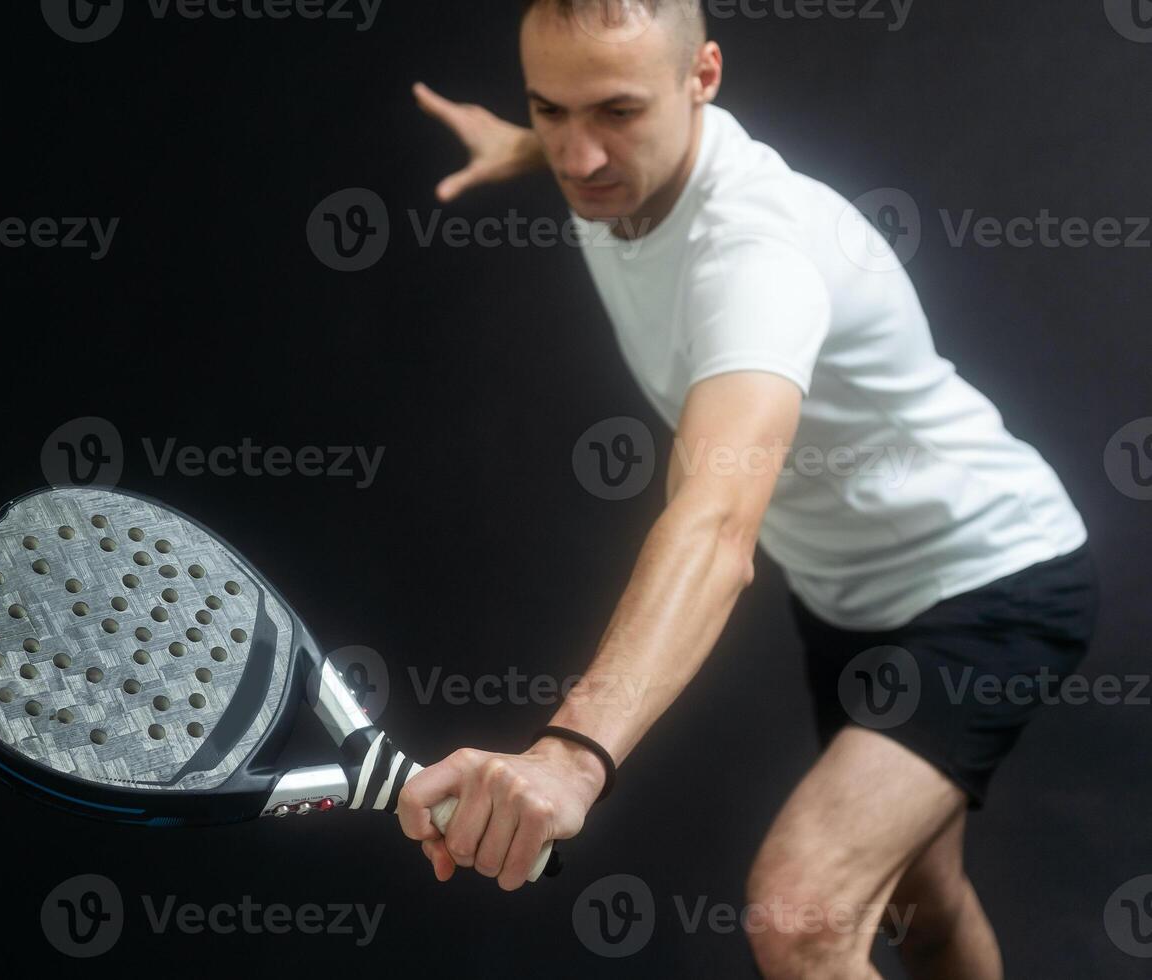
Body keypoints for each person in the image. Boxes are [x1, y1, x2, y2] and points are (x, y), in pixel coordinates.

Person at [394, 3, 1099, 978]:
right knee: (917, 905)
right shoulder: (608, 167)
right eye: (548, 110)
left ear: (705, 77)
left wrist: (568, 754)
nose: (582, 154)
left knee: (804, 914)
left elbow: (718, 522)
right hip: (852, 603)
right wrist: (518, 146)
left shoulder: (753, 256)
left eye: (616, 111)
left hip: (991, 580)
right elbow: (584, 142)